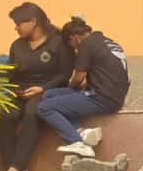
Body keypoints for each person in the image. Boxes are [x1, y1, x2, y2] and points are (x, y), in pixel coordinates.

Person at [0, 3, 74, 171]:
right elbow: (12, 73)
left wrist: (42, 89)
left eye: (18, 23)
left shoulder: (58, 43)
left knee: (32, 113)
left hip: (47, 90)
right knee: (2, 116)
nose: (16, 28)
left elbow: (65, 74)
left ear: (33, 21)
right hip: (20, 91)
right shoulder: (17, 46)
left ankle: (13, 170)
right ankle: (16, 168)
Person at [36, 17, 129, 158]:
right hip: (114, 94)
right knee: (49, 94)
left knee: (44, 108)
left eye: (72, 46)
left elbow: (79, 78)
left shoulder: (86, 44)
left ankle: (76, 142)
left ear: (74, 38)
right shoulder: (106, 41)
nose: (75, 49)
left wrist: (71, 86)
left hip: (102, 98)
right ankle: (82, 132)